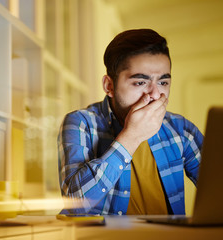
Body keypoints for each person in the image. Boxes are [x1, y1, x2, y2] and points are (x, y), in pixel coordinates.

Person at [58, 29, 203, 215]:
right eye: (140, 83)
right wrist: (131, 136)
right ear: (109, 86)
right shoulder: (81, 123)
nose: (155, 94)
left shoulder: (181, 129)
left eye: (163, 82)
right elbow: (74, 205)